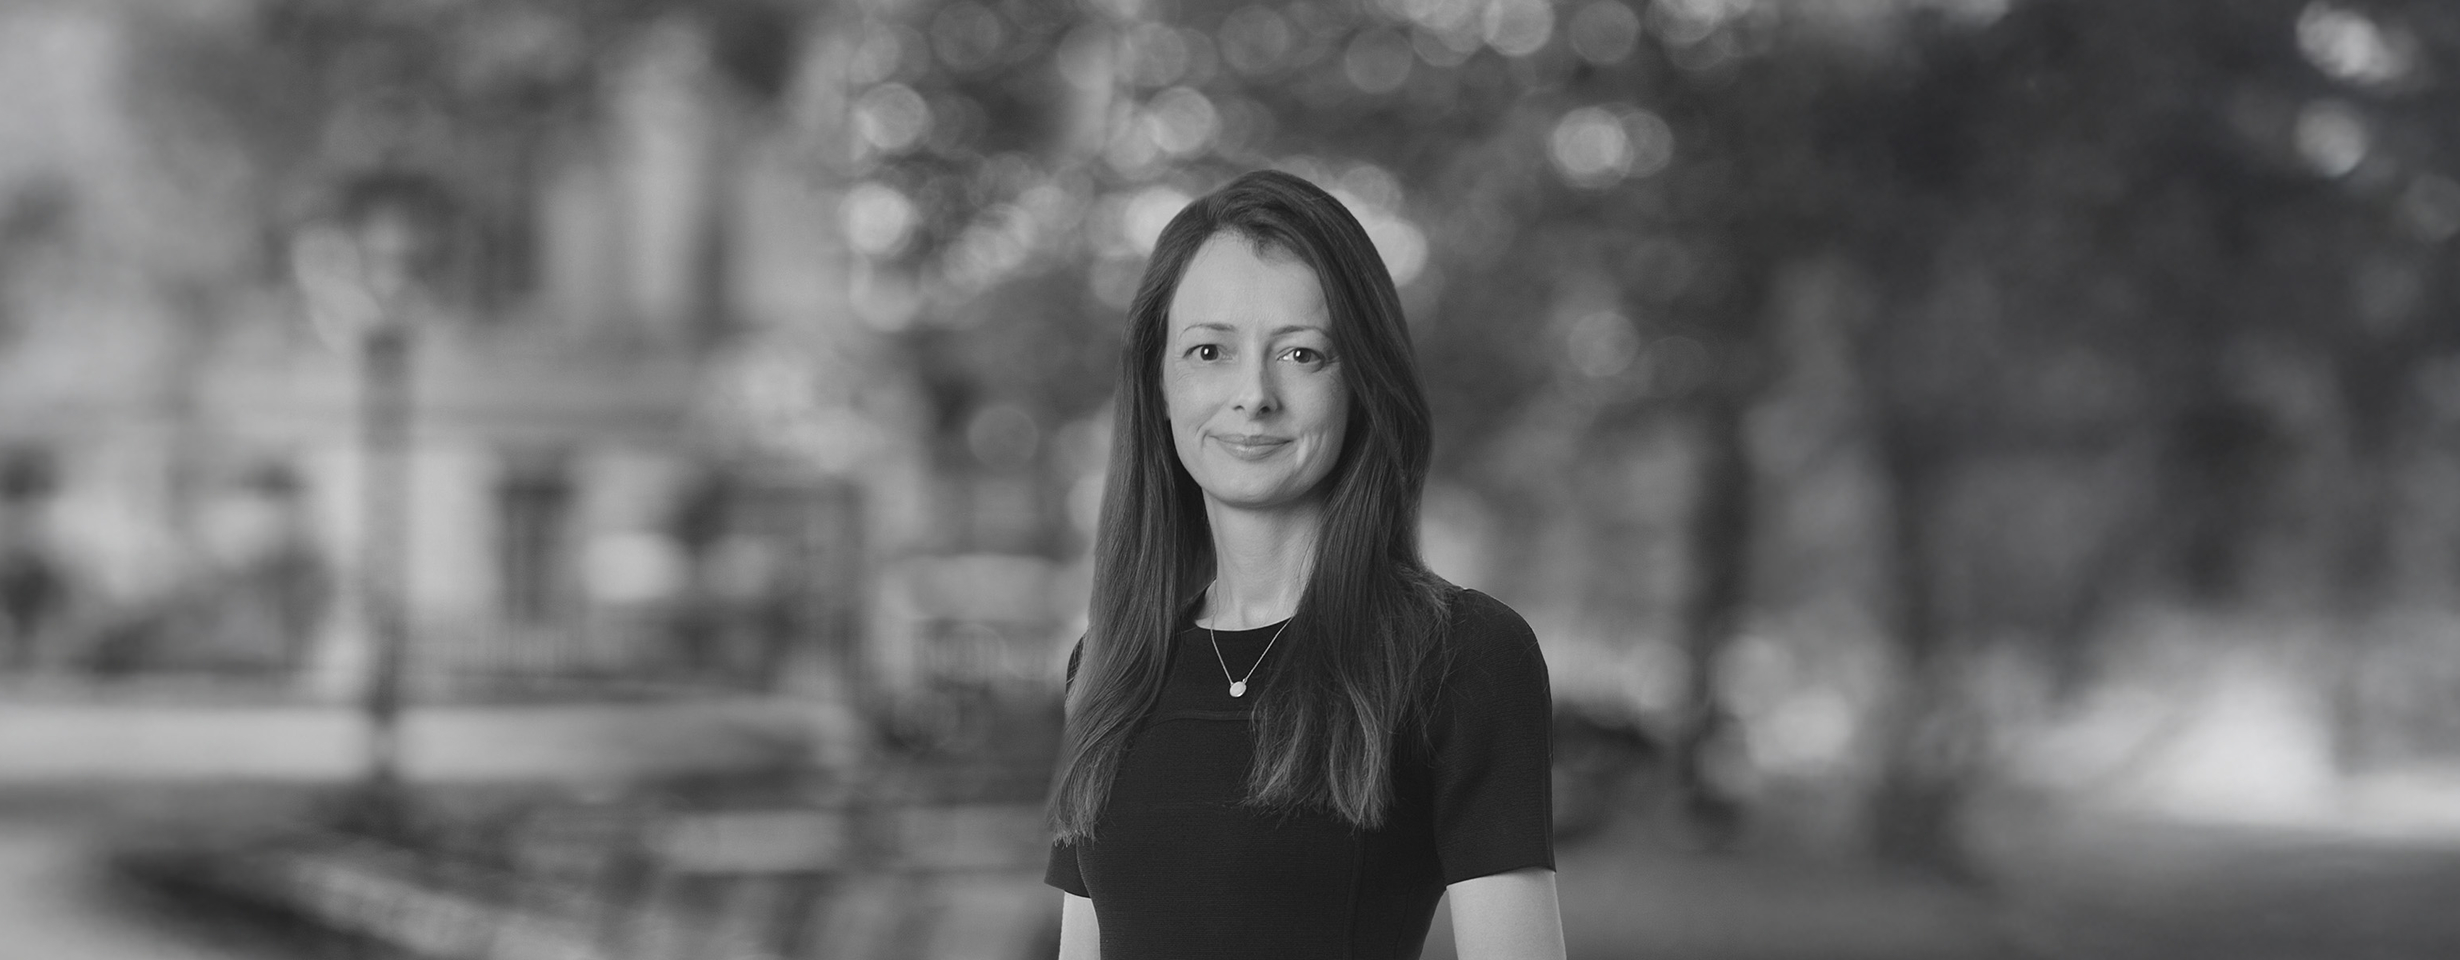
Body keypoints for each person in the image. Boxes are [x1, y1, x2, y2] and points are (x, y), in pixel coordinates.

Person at [1045, 170, 1564, 960]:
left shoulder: (1463, 655)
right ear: (1159, 385)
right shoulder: (1107, 665)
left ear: (1362, 383)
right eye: (1209, 351)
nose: (1254, 394)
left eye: (1301, 353)